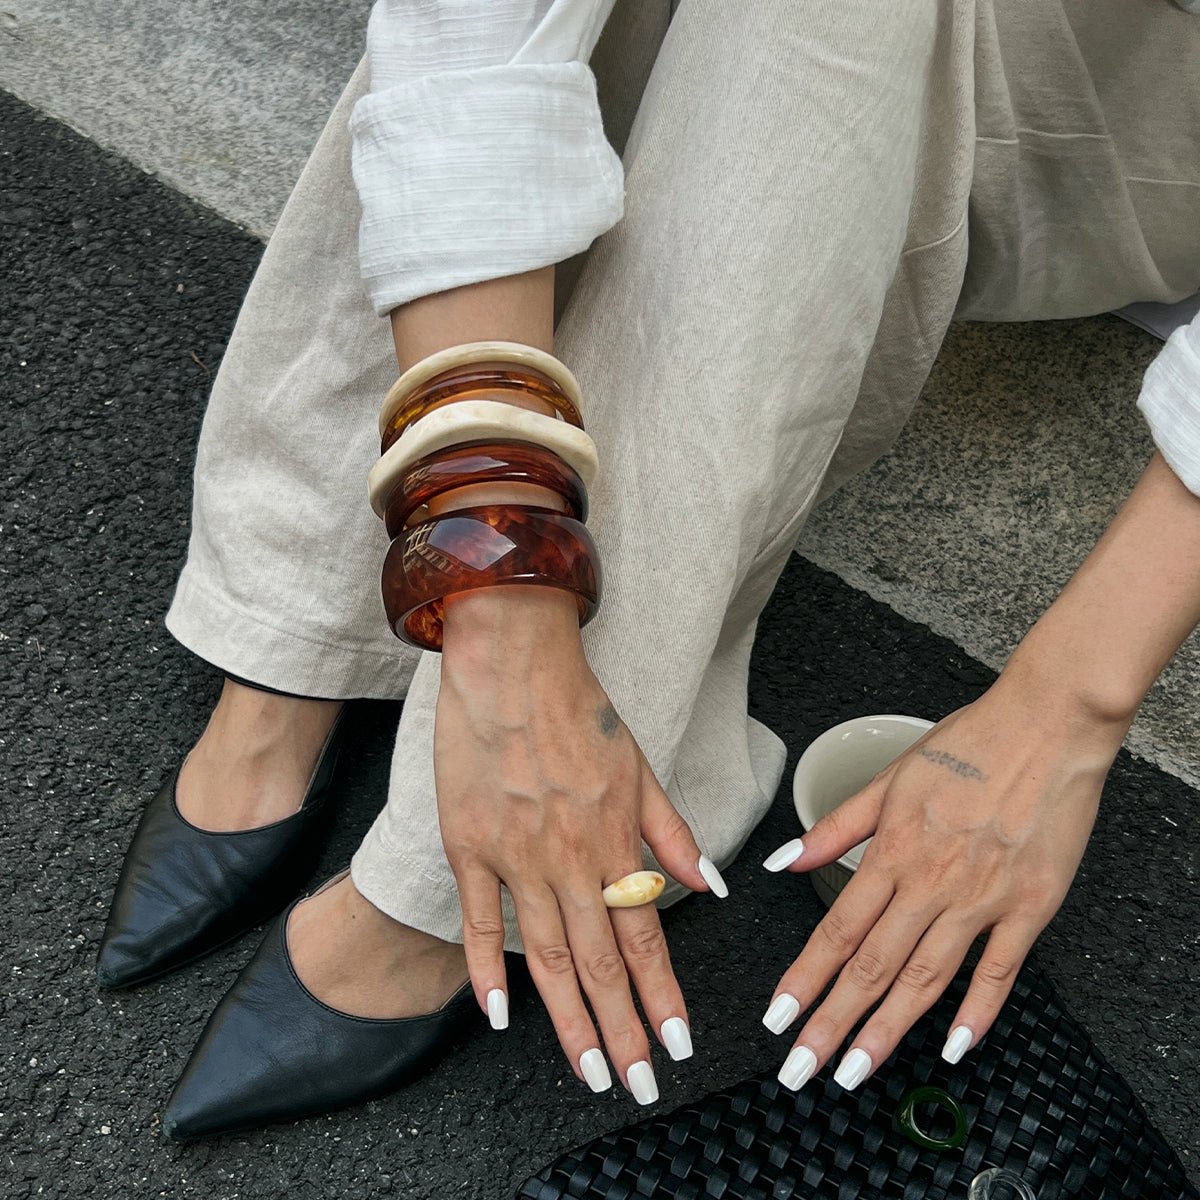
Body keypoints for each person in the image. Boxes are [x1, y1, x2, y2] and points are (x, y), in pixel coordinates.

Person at [95, 0, 1200, 1138]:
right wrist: (506, 612)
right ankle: (316, 641)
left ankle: (444, 865)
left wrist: (1069, 708)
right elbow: (471, 42)